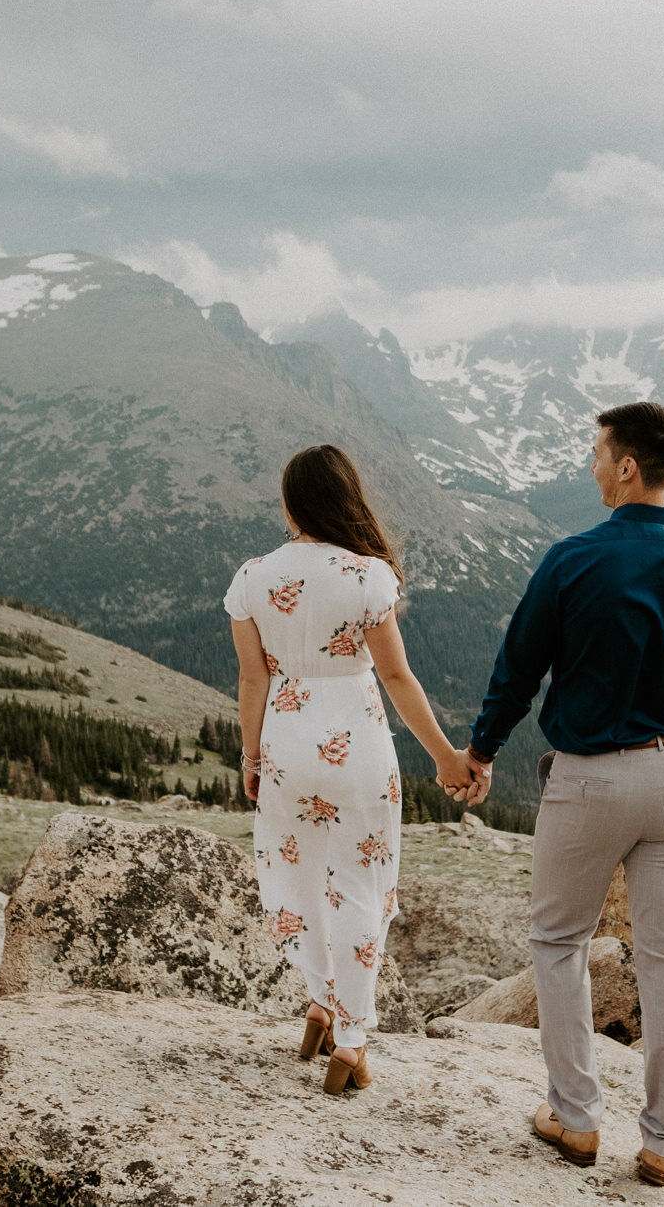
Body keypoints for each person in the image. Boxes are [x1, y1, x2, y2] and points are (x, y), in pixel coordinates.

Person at [463, 401, 664, 1187]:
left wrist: (481, 750)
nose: (591, 465)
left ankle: (577, 1118)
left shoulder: (570, 560)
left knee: (559, 942)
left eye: (597, 453)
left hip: (589, 776)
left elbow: (518, 669)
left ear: (628, 466)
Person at [227, 443, 477, 1094]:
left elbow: (253, 678)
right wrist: (446, 756)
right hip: (355, 744)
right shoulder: (366, 576)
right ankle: (351, 1041)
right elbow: (396, 675)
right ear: (346, 498)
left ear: (291, 505)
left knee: (302, 877)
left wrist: (250, 757)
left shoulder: (253, 578)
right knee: (360, 886)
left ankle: (319, 1006)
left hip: (286, 742)